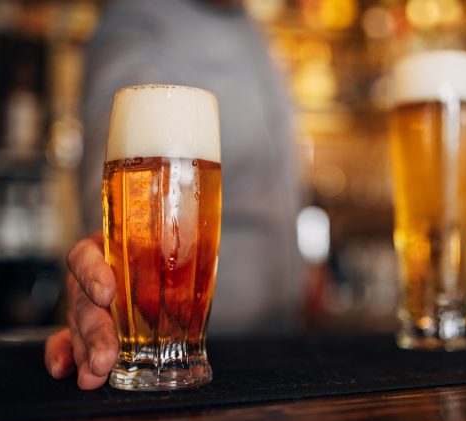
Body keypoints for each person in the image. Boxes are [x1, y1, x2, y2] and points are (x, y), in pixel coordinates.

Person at [45, 0, 303, 389]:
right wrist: (103, 286)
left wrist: (302, 272)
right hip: (205, 362)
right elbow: (121, 208)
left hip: (287, 342)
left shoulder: (249, 27)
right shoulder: (137, 23)